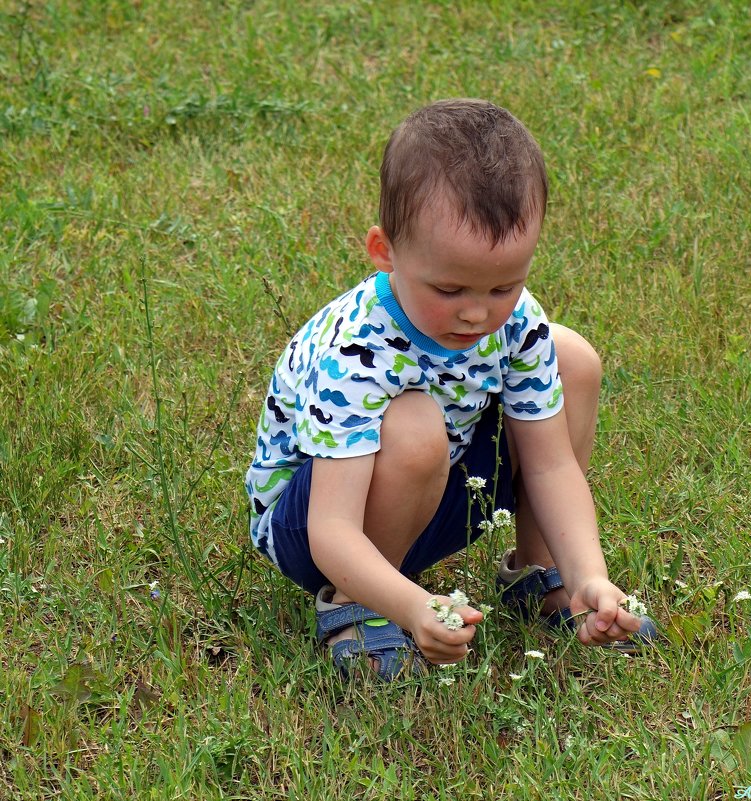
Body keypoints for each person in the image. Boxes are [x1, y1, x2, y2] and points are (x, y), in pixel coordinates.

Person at [245, 98, 655, 680]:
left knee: (573, 358)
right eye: (450, 288)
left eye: (504, 286)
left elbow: (551, 466)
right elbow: (329, 528)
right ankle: (355, 605)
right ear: (385, 252)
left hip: (436, 482)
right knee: (413, 426)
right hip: (317, 527)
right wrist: (416, 608)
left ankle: (541, 574)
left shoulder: (515, 321)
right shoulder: (358, 352)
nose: (476, 314)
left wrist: (591, 571)